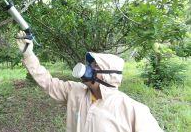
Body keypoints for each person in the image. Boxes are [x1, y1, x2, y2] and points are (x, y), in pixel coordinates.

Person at [16, 31, 164, 132]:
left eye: (95, 66)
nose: (88, 68)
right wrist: (29, 55)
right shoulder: (74, 92)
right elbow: (47, 82)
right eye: (89, 65)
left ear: (108, 75)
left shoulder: (133, 110)